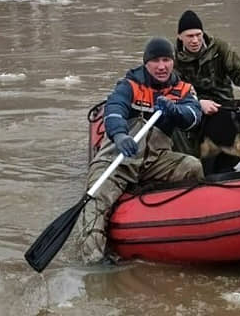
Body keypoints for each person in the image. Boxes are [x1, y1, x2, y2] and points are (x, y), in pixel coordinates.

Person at [80, 37, 204, 263]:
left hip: (156, 160)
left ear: (173, 62)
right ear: (146, 63)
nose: (161, 66)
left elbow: (194, 117)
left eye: (166, 60)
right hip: (118, 159)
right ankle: (94, 260)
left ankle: (185, 232)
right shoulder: (129, 85)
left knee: (192, 167)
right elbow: (115, 108)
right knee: (95, 199)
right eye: (155, 61)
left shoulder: (183, 90)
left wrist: (175, 111)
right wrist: (119, 134)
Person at [173, 10, 240, 172]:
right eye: (189, 36)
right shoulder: (173, 59)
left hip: (224, 104)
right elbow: (173, 90)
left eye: (198, 35)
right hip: (193, 106)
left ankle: (224, 167)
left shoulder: (220, 48)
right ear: (180, 37)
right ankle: (201, 169)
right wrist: (198, 103)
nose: (195, 40)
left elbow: (239, 70)